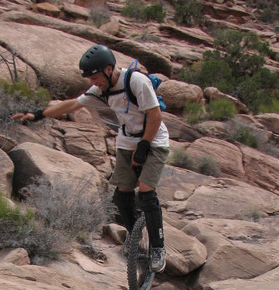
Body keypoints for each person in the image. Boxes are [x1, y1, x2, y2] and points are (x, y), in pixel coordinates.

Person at [11, 44, 169, 273]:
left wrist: (144, 146)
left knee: (145, 191)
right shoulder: (100, 90)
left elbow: (155, 116)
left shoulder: (135, 82)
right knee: (121, 196)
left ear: (108, 69)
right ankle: (135, 239)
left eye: (96, 77)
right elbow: (72, 104)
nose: (94, 83)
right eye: (91, 79)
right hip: (127, 141)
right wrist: (35, 115)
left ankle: (158, 248)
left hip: (153, 139)